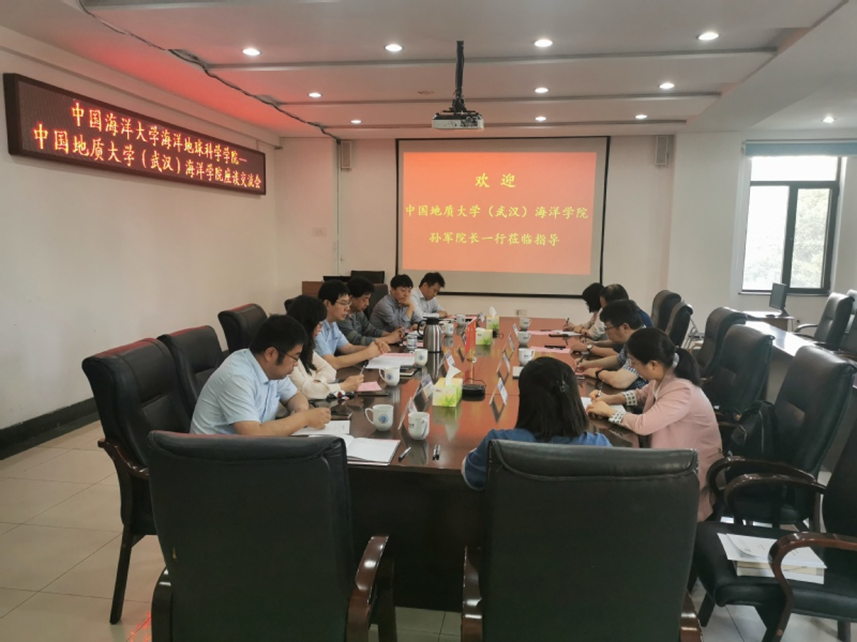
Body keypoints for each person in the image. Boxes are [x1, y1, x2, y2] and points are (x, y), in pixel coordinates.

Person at [586, 328, 722, 521]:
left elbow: (643, 425)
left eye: (634, 363)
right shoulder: (664, 375)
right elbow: (641, 395)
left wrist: (610, 412)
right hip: (670, 456)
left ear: (652, 364)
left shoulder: (681, 389)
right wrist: (608, 399)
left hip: (688, 472)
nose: (632, 366)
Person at [462, 358, 610, 490]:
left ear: (526, 400)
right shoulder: (599, 447)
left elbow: (471, 476)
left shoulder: (498, 444)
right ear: (574, 400)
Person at [191, 315, 331, 436]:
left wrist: (300, 411)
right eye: (295, 357)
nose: (296, 364)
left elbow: (295, 396)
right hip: (214, 455)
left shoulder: (270, 368)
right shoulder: (237, 377)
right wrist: (303, 419)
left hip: (247, 449)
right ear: (271, 354)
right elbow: (253, 434)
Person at [287, 295, 364, 399]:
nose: (320, 329)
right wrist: (343, 386)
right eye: (318, 324)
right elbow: (306, 392)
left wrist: (317, 382)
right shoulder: (287, 352)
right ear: (307, 324)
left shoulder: (306, 346)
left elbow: (330, 370)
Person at [317, 280, 390, 370]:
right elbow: (332, 363)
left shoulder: (333, 323)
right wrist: (367, 353)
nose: (347, 308)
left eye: (348, 303)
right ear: (327, 304)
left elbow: (349, 348)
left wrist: (373, 348)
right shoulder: (315, 327)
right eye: (343, 303)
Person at [576, 299, 647, 390]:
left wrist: (597, 373)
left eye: (608, 328)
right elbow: (619, 360)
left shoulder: (643, 344)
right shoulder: (635, 337)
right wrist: (588, 364)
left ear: (625, 327)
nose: (606, 332)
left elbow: (619, 381)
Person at [568, 283, 653, 356]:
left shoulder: (633, 318)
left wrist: (589, 348)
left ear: (615, 304)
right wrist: (594, 343)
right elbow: (616, 343)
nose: (603, 311)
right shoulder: (628, 312)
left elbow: (618, 354)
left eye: (605, 307)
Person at [338, 276, 403, 347]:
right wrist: (389, 339)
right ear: (350, 298)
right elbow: (356, 340)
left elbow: (370, 330)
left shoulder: (358, 312)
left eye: (368, 299)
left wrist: (391, 335)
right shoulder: (340, 315)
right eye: (365, 299)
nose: (367, 303)